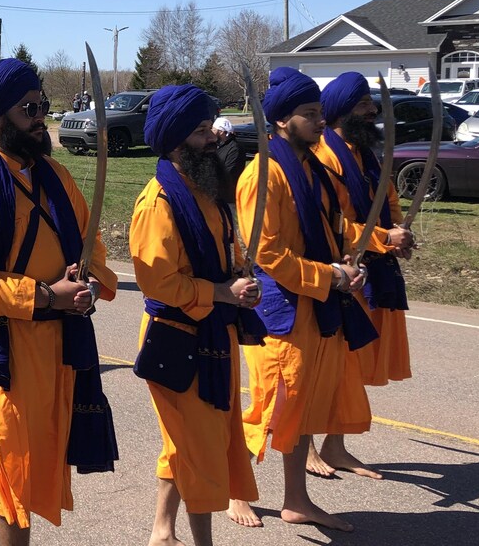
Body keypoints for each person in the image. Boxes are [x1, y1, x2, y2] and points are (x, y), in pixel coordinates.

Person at [0, 59, 117, 545]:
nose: (43, 116)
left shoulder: (56, 177)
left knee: (13, 475)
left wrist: (84, 283)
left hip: (58, 350)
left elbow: (91, 243)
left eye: (42, 106)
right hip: (3, 353)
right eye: (31, 108)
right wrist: (44, 295)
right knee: (14, 481)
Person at [230, 67, 377, 533]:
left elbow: (336, 226)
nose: (319, 121)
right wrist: (329, 276)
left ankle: (296, 500)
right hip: (279, 310)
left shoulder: (313, 169)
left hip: (318, 303)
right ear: (281, 120)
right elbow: (265, 251)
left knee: (305, 407)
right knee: (270, 407)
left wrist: (370, 248)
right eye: (309, 114)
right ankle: (237, 491)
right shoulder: (263, 174)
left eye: (319, 112)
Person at [130, 85, 265, 546]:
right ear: (174, 141)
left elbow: (224, 253)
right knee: (201, 447)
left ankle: (161, 531)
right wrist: (222, 292)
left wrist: (239, 280)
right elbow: (160, 285)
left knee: (187, 440)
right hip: (176, 337)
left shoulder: (206, 190)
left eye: (212, 129)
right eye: (202, 131)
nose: (214, 140)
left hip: (214, 330)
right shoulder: (159, 202)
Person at [308, 71, 415, 479]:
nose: (372, 111)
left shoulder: (369, 155)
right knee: (326, 368)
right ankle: (308, 446)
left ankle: (335, 446)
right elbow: (336, 225)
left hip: (374, 270)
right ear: (340, 113)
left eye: (371, 103)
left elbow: (387, 201)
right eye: (363, 105)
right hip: (338, 274)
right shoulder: (325, 157)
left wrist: (399, 232)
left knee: (352, 369)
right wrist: (386, 237)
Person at [212, 117, 246, 200]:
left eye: (213, 129)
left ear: (221, 132)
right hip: (217, 195)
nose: (211, 131)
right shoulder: (218, 145)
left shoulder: (235, 149)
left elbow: (229, 173)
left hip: (228, 197)